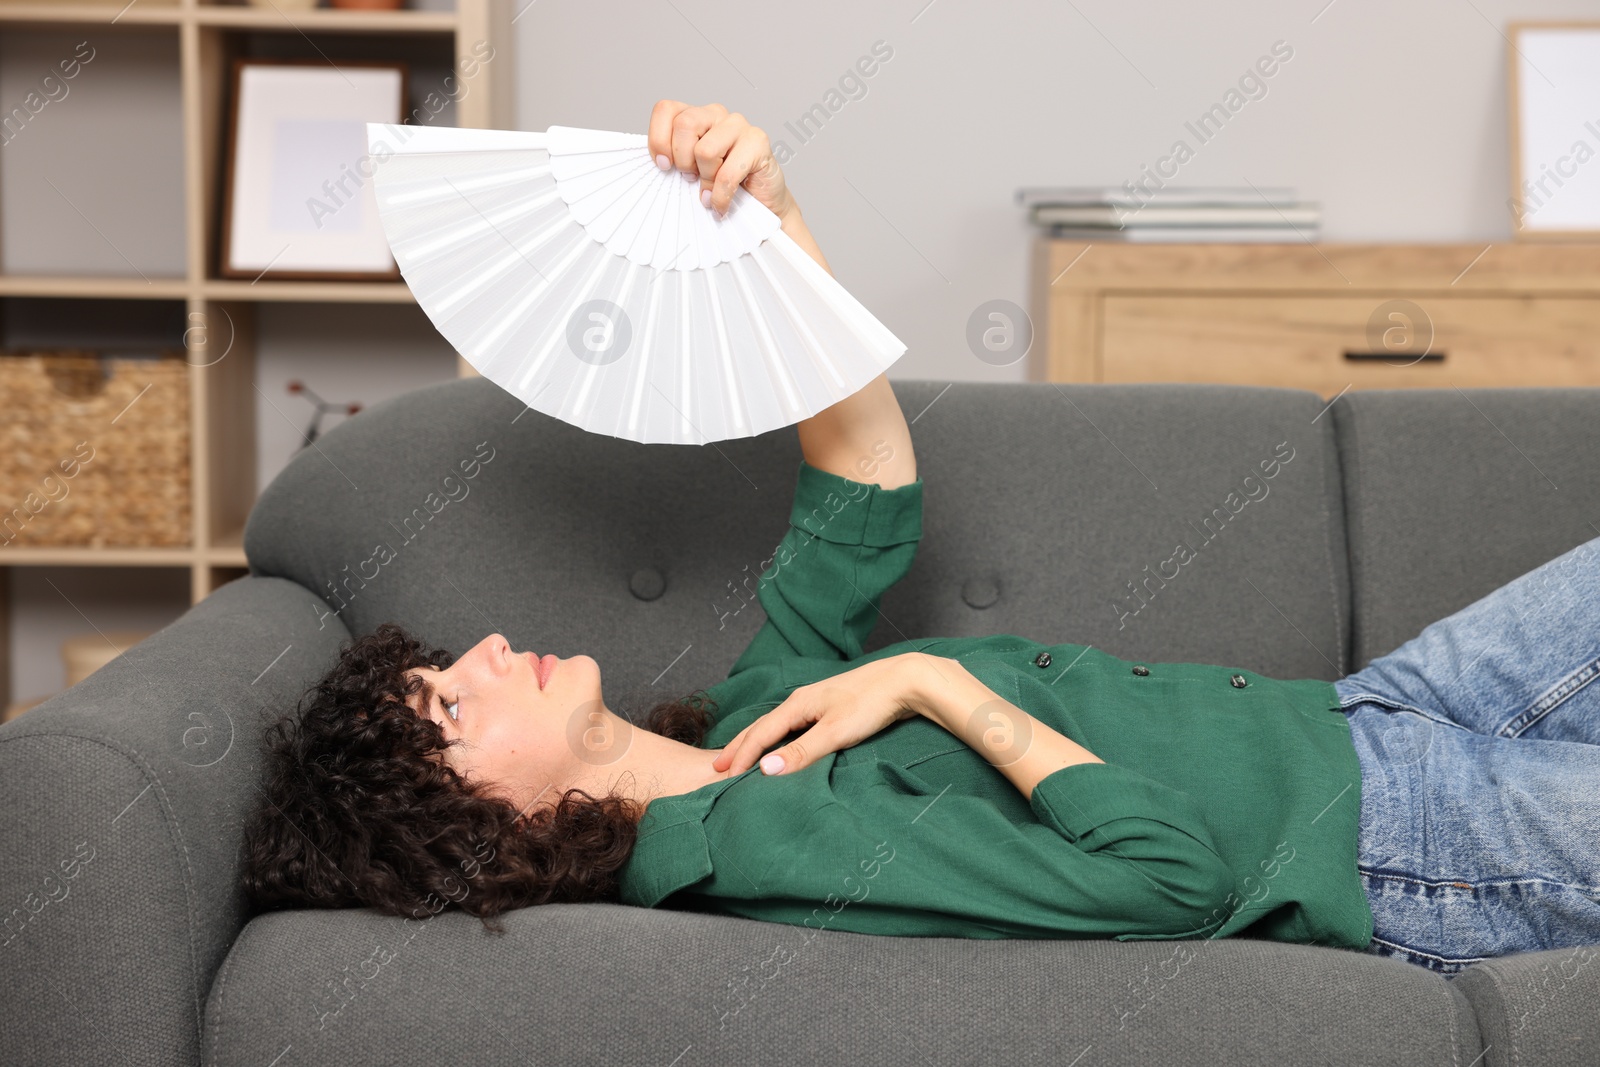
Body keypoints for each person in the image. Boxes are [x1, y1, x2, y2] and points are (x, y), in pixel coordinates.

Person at [241, 101, 1600, 976]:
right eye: (447, 707)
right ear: (481, 829)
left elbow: (860, 475)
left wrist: (766, 221)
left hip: (1377, 715)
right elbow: (1170, 880)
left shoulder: (755, 722)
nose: (479, 651)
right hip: (1395, 843)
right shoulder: (756, 860)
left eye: (442, 667)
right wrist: (932, 681)